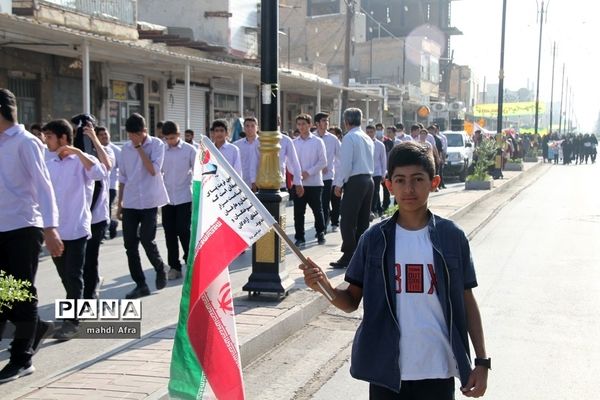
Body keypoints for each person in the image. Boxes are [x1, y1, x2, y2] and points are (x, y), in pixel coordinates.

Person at [302, 141, 489, 399]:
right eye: (400, 180)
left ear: (434, 182)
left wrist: (482, 361)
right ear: (388, 185)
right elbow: (351, 301)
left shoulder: (451, 237)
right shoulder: (374, 239)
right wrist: (324, 286)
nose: (408, 188)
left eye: (417, 179)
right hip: (387, 374)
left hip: (438, 371)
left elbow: (467, 300)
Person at [0, 89, 63, 382]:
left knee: (20, 295)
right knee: (4, 295)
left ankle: (22, 358)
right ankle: (35, 328)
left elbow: (44, 186)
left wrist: (50, 229)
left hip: (23, 228)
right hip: (1, 228)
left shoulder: (26, 143)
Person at [43, 119, 107, 339]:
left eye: (49, 136)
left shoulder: (82, 161)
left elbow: (100, 173)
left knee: (74, 275)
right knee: (65, 276)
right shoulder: (48, 163)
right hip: (56, 231)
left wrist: (78, 152)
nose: (46, 141)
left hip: (78, 229)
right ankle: (73, 311)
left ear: (63, 138)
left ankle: (72, 321)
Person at [117, 113, 170, 299]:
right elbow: (122, 177)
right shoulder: (125, 149)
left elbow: (153, 171)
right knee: (130, 245)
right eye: (130, 135)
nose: (132, 139)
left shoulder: (157, 145)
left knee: (147, 240)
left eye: (135, 135)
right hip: (131, 202)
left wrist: (139, 148)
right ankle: (140, 284)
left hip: (149, 201)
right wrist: (120, 203)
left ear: (144, 131)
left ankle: (159, 267)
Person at [331, 108, 374, 268]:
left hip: (355, 180)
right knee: (362, 220)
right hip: (368, 180)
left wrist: (339, 184)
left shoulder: (349, 137)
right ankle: (360, 253)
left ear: (346, 121)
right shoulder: (366, 137)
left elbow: (346, 164)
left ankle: (349, 254)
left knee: (347, 220)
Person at [82, 125, 114, 300]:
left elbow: (107, 165)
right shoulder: (75, 158)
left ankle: (90, 293)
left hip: (98, 218)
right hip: (78, 219)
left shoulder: (103, 155)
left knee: (90, 258)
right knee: (80, 262)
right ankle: (91, 284)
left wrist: (94, 138)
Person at [161, 121, 196, 280]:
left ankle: (191, 262)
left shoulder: (190, 150)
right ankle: (174, 267)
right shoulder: (161, 150)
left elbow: (198, 172)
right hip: (167, 199)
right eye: (167, 138)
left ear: (179, 135)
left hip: (184, 197)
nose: (170, 141)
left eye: (173, 137)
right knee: (169, 233)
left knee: (183, 230)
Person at [292, 114, 327, 247]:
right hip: (299, 183)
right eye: (299, 124)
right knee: (298, 212)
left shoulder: (318, 141)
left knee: (317, 210)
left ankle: (320, 232)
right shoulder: (294, 143)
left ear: (310, 125)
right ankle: (300, 237)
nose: (301, 127)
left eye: (304, 124)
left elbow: (323, 161)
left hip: (314, 183)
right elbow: (290, 162)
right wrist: (297, 175)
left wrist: (309, 172)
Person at [314, 112, 341, 233]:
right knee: (317, 204)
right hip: (313, 177)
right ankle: (322, 223)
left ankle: (322, 229)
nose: (326, 123)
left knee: (325, 202)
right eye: (324, 121)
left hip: (328, 176)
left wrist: (340, 176)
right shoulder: (312, 138)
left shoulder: (333, 139)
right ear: (317, 123)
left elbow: (340, 157)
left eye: (327, 121)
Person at [96, 127, 121, 239]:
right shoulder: (93, 149)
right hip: (98, 185)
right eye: (101, 135)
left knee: (106, 208)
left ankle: (103, 231)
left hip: (111, 186)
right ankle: (111, 224)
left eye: (105, 134)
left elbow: (123, 169)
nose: (104, 136)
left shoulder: (115, 150)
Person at [234, 117, 260, 191]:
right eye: (247, 126)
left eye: (252, 126)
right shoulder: (237, 145)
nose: (250, 128)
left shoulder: (262, 144)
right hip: (242, 183)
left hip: (259, 184)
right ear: (244, 128)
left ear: (257, 128)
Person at [366, 125, 386, 219]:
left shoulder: (380, 145)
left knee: (375, 191)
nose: (369, 134)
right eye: (368, 132)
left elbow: (383, 160)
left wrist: (383, 174)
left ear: (374, 132)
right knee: (367, 192)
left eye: (371, 132)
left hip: (377, 172)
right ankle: (371, 209)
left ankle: (373, 210)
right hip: (366, 172)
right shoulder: (363, 143)